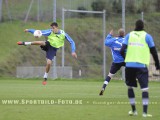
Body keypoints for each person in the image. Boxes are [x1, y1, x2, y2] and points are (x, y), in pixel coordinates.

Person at [120, 19, 160, 117]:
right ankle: (145, 113)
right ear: (143, 26)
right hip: (141, 66)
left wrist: (127, 59)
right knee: (144, 89)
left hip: (129, 66)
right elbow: (154, 52)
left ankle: (134, 111)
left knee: (130, 87)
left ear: (135, 26)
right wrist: (157, 64)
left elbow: (122, 50)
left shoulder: (129, 35)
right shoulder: (147, 36)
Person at [99, 28, 125, 95]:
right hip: (125, 60)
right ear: (124, 34)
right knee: (133, 70)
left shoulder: (113, 40)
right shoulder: (126, 40)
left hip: (116, 62)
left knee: (110, 75)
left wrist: (109, 35)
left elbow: (106, 42)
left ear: (118, 33)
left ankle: (103, 87)